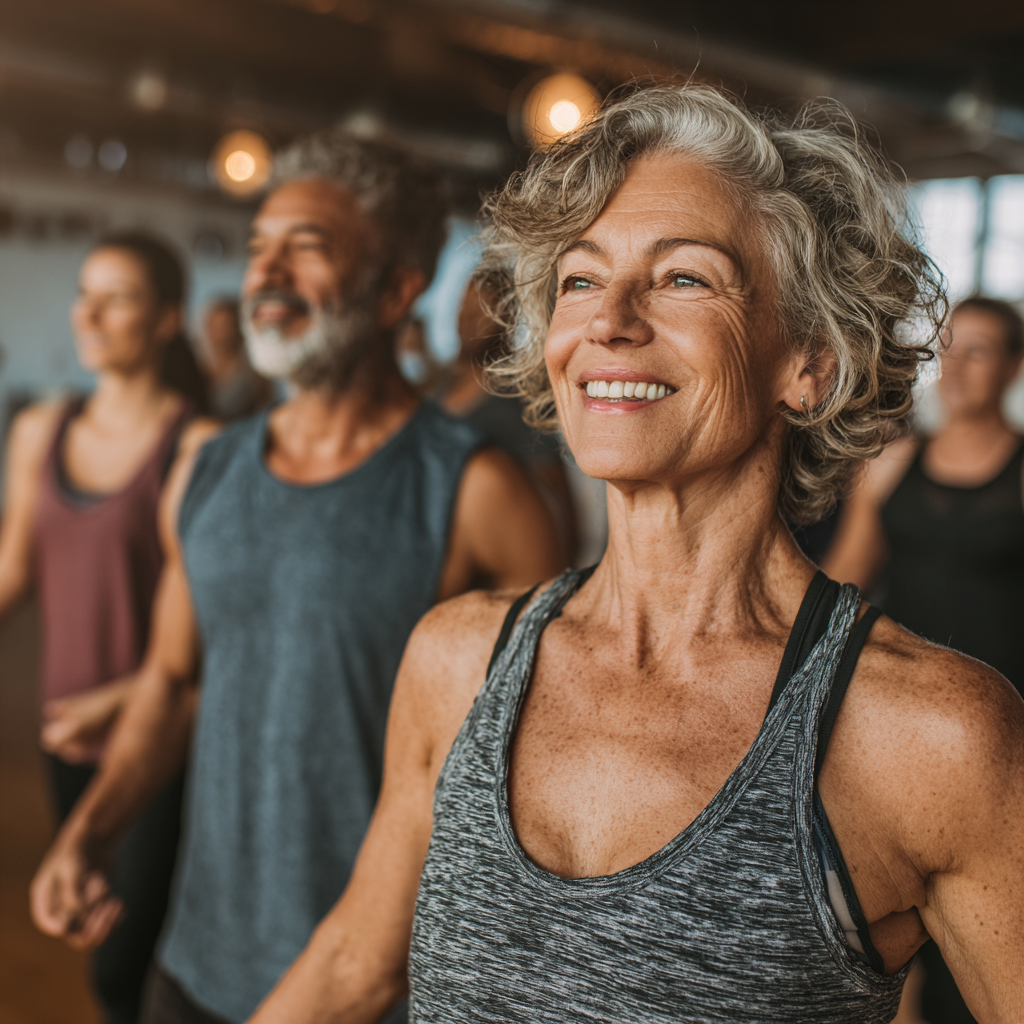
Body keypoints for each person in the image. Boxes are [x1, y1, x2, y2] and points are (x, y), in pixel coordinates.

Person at [244, 86, 1024, 1024]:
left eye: (683, 277)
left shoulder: (929, 741)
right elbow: (353, 966)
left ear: (809, 358)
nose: (608, 320)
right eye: (578, 279)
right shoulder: (457, 660)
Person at [30, 131, 564, 1024]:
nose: (265, 274)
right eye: (257, 249)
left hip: (380, 987)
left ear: (397, 290)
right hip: (196, 962)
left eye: (306, 248)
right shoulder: (209, 470)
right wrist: (91, 833)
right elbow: (169, 681)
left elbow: (544, 759)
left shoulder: (474, 492)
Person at [0, 231, 216, 1024]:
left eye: (115, 297)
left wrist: (122, 698)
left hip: (155, 736)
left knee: (130, 961)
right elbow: (14, 572)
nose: (88, 313)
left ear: (165, 320)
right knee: (97, 933)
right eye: (84, 293)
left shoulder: (195, 447)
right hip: (64, 732)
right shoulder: (40, 433)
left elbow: (210, 628)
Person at [823, 295, 1024, 1024]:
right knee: (892, 927)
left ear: (1013, 366)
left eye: (981, 350)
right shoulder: (896, 463)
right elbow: (843, 581)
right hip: (898, 729)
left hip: (1004, 732)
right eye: (952, 346)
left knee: (986, 934)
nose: (960, 365)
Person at [437, 274, 578, 563]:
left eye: (482, 310)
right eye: (464, 307)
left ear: (507, 322)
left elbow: (559, 496)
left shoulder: (517, 404)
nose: (468, 319)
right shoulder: (435, 393)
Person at [198, 297, 272, 420]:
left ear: (238, 328)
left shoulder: (254, 371)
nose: (220, 333)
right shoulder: (198, 368)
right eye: (215, 326)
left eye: (225, 326)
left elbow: (265, 409)